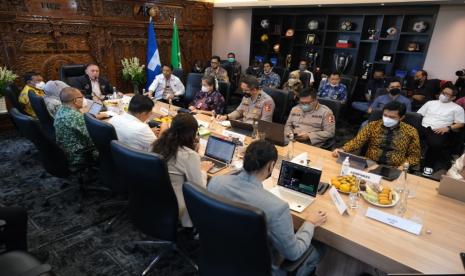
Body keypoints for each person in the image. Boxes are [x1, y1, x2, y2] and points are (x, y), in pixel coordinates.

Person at [208, 140, 327, 276]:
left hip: (219, 256)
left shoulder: (216, 182)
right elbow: (293, 254)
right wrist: (310, 223)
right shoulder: (277, 207)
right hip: (259, 270)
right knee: (319, 248)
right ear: (271, 166)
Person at [152, 113, 213, 227]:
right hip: (174, 203)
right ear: (193, 134)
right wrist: (203, 170)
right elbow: (199, 189)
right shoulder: (189, 156)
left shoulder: (156, 145)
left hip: (151, 195)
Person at [333, 101, 421, 168]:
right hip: (370, 163)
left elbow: (414, 156)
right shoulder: (373, 125)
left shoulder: (411, 131)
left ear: (402, 118)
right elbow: (357, 141)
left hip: (395, 167)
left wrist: (403, 167)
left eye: (392, 117)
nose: (387, 119)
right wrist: (343, 149)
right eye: (385, 115)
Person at [417, 85, 465, 172]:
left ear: (453, 97)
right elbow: (419, 115)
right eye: (443, 92)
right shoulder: (430, 103)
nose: (443, 95)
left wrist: (448, 128)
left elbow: (461, 123)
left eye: (447, 94)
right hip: (423, 126)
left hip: (438, 129)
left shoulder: (457, 108)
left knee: (435, 144)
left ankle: (428, 165)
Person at [54, 87, 103, 171]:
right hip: (78, 154)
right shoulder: (74, 117)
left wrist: (92, 117)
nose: (84, 99)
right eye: (81, 97)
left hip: (65, 150)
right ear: (75, 101)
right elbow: (93, 137)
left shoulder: (62, 110)